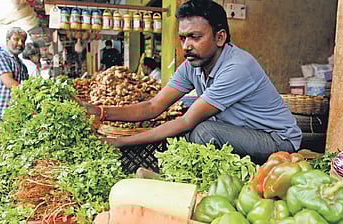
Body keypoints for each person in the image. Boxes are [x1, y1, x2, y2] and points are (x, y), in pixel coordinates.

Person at [86, 0, 302, 164]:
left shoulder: (237, 67)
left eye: (195, 37)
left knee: (202, 131)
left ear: (220, 37)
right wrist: (99, 111)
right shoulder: (192, 66)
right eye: (183, 38)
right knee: (192, 130)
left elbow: (186, 122)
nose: (187, 45)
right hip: (242, 132)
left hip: (277, 141)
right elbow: (153, 106)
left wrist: (120, 142)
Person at [0, 27, 29, 134]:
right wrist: (35, 93)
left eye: (23, 41)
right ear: (7, 40)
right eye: (16, 39)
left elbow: (26, 84)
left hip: (16, 116)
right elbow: (9, 83)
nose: (20, 43)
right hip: (1, 116)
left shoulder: (20, 63)